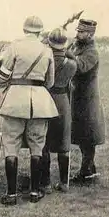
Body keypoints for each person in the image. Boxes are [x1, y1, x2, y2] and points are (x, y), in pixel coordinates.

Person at [0, 16, 58, 205]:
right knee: (37, 146)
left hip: (15, 99)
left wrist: (7, 88)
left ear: (24, 29)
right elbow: (50, 81)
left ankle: (11, 194)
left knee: (11, 145)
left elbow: (3, 74)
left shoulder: (14, 47)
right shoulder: (47, 50)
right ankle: (35, 192)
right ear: (40, 31)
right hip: (40, 101)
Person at [66, 19, 106, 184]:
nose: (77, 34)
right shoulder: (79, 47)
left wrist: (66, 53)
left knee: (88, 135)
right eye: (78, 31)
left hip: (88, 100)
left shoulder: (92, 52)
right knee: (83, 134)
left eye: (81, 32)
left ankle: (86, 171)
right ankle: (89, 168)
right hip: (80, 98)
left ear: (90, 34)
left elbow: (80, 67)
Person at [40, 28, 77, 194]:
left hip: (46, 99)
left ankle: (45, 184)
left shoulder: (44, 59)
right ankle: (64, 182)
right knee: (64, 141)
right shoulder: (72, 64)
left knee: (44, 142)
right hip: (63, 101)